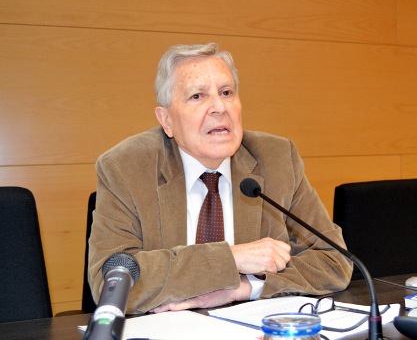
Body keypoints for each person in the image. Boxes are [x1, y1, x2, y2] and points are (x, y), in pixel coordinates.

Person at [88, 43, 353, 315]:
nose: (219, 107)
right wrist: (231, 259)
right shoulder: (125, 167)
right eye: (197, 96)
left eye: (226, 93)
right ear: (166, 120)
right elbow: (108, 281)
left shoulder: (277, 159)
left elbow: (334, 261)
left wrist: (242, 287)